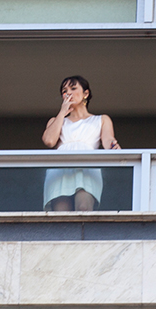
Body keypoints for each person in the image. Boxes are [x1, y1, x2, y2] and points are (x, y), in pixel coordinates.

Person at [41, 74, 118, 211]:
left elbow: (108, 140)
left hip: (87, 165)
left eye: (73, 88)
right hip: (60, 167)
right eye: (64, 91)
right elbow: (49, 141)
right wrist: (62, 112)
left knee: (84, 208)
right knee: (61, 215)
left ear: (85, 93)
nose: (68, 93)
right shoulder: (56, 121)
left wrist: (113, 146)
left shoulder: (101, 119)